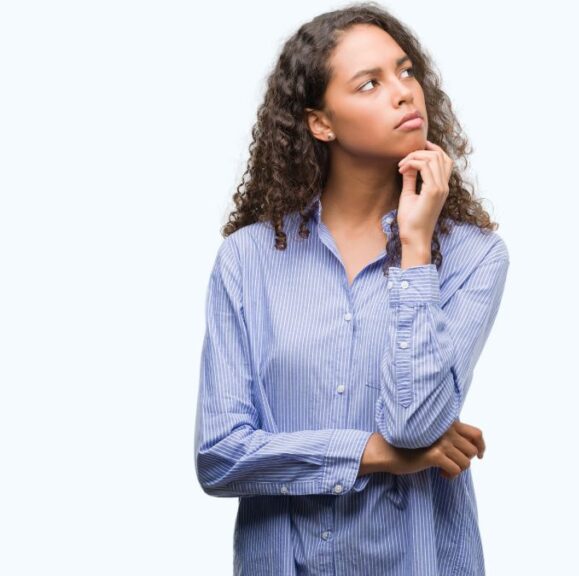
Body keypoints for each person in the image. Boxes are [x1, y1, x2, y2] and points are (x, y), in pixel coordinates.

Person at [193, 4, 510, 575]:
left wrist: (415, 251)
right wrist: (377, 455)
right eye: (370, 83)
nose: (403, 93)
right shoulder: (248, 259)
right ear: (321, 123)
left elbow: (416, 423)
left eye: (406, 71)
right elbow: (220, 456)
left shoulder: (471, 256)